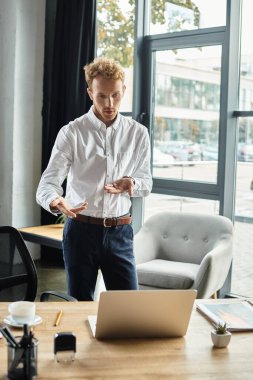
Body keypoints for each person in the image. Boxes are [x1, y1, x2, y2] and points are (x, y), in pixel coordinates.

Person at [36, 57, 152, 301]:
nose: (109, 103)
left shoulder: (138, 134)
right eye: (102, 96)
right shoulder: (72, 132)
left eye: (115, 95)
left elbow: (146, 182)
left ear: (124, 91)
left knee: (129, 307)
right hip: (81, 233)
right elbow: (47, 184)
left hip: (121, 232)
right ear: (90, 92)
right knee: (79, 305)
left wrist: (132, 183)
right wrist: (58, 201)